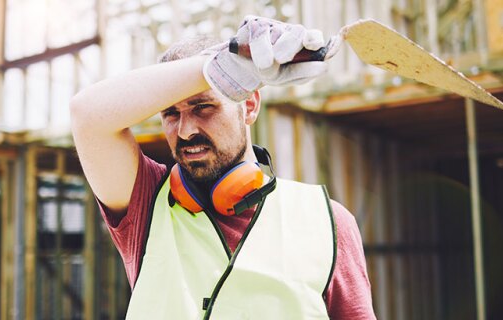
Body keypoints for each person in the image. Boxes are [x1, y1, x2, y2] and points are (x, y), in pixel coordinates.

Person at [71, 15, 376, 319]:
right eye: (171, 113)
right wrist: (221, 63)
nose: (185, 130)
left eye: (203, 107)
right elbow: (87, 115)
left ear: (250, 106)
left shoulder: (328, 222)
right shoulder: (147, 202)